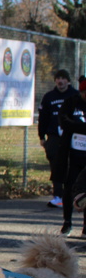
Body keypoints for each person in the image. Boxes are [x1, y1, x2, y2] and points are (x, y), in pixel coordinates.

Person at [38, 69, 75, 208]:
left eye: (63, 78)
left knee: (72, 166)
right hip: (54, 137)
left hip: (72, 137)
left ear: (68, 81)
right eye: (58, 78)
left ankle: (71, 195)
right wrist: (42, 136)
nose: (60, 81)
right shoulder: (49, 97)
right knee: (56, 166)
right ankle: (57, 196)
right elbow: (43, 118)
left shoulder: (75, 95)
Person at [57, 78, 86, 236]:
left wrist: (77, 127)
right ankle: (67, 222)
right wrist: (81, 128)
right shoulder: (71, 103)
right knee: (69, 188)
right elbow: (64, 122)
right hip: (72, 155)